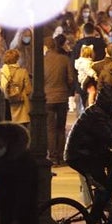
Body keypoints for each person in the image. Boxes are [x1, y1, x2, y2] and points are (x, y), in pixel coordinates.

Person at [64, 88, 112, 224]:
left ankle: (106, 204)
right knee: (105, 188)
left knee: (111, 171)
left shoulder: (98, 112)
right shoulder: (96, 116)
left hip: (89, 154)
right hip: (82, 157)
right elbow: (110, 137)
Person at [43, 34, 75, 166]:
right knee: (61, 128)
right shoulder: (64, 59)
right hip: (62, 97)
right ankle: (61, 156)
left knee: (50, 128)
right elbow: (71, 79)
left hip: (47, 97)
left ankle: (52, 156)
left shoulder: (42, 61)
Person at [0, 48, 31, 128]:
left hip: (7, 106)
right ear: (17, 59)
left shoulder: (1, 72)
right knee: (22, 132)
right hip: (21, 108)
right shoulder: (23, 72)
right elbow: (28, 90)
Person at [74, 44, 97, 114]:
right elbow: (88, 70)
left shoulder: (80, 61)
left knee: (90, 92)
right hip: (86, 79)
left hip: (82, 79)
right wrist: (94, 75)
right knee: (92, 91)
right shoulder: (86, 62)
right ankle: (90, 105)